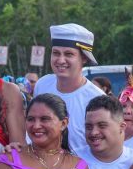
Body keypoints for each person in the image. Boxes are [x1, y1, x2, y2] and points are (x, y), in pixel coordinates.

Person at [33, 23, 105, 153]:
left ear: (83, 58)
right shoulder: (42, 85)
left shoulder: (97, 99)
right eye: (56, 53)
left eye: (68, 54)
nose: (60, 60)